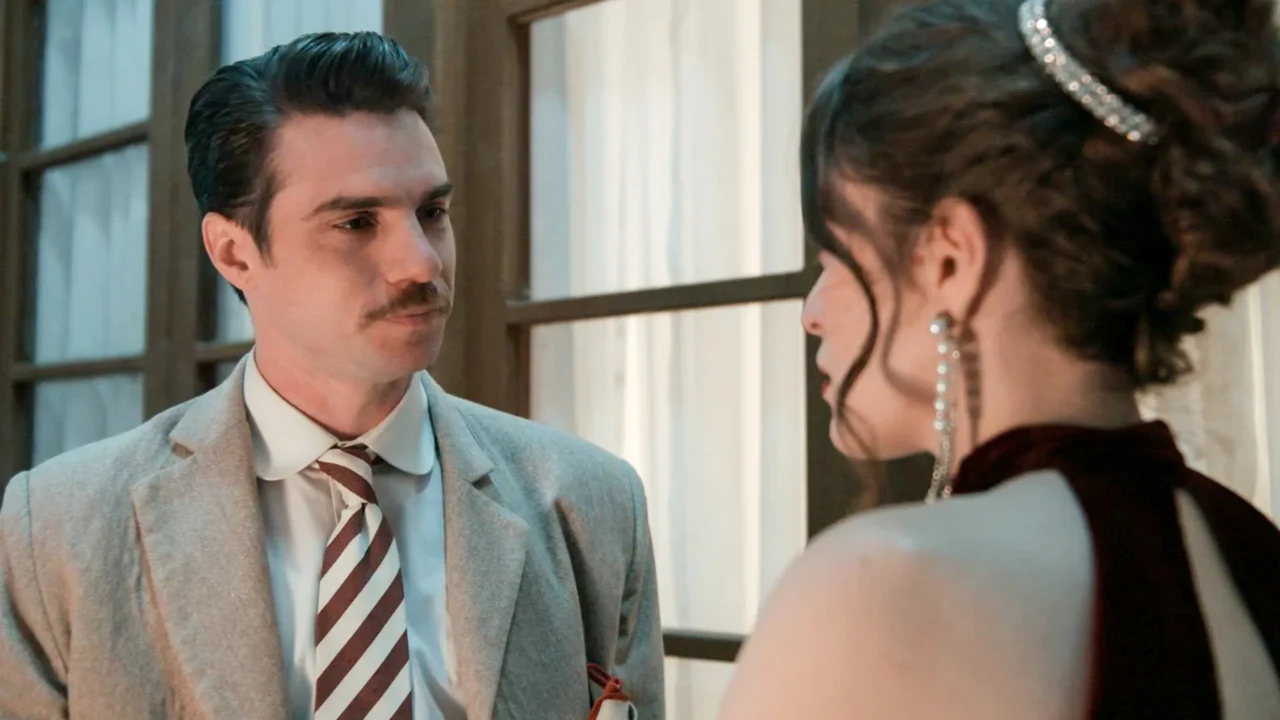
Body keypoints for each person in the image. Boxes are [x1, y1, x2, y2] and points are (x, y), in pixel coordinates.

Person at [0, 32, 663, 719]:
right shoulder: (59, 528)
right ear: (233, 253)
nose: (421, 263)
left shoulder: (592, 502)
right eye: (356, 223)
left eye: (431, 213)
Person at [719, 0, 1280, 715]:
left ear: (951, 258)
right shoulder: (1253, 552)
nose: (812, 312)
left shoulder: (889, 587)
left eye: (835, 257)